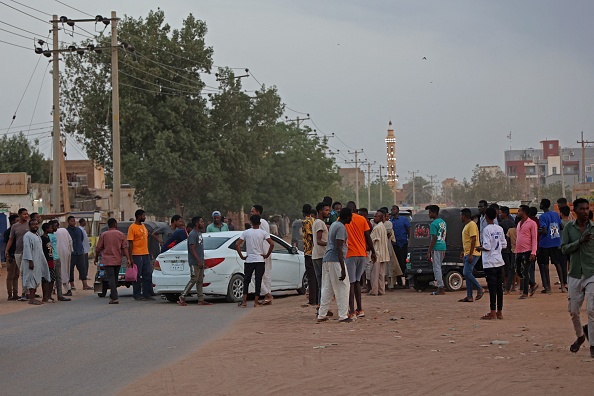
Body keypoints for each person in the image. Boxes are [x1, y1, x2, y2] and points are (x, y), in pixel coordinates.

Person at [562, 198, 594, 357]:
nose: (585, 212)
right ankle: (581, 336)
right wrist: (579, 242)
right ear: (574, 210)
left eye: (587, 209)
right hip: (574, 273)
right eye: (582, 209)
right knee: (574, 311)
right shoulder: (568, 228)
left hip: (591, 273)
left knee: (591, 309)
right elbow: (564, 249)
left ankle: (593, 345)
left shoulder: (593, 229)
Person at [317, 207, 353, 323]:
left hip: (327, 259)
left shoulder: (334, 224)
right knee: (343, 286)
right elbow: (338, 247)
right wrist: (343, 268)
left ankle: (321, 314)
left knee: (328, 288)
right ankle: (343, 315)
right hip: (335, 260)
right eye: (351, 217)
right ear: (347, 217)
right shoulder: (341, 228)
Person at [344, 201, 376, 318]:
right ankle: (360, 309)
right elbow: (368, 237)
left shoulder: (341, 220)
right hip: (362, 254)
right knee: (357, 281)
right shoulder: (362, 220)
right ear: (355, 208)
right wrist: (373, 252)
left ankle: (351, 311)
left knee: (351, 283)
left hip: (349, 255)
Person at [235, 214, 274, 308]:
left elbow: (237, 244)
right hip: (260, 260)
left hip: (249, 260)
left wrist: (241, 256)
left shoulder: (246, 233)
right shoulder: (263, 233)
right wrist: (267, 255)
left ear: (251, 223)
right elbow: (272, 244)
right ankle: (256, 302)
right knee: (258, 280)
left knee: (246, 280)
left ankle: (244, 301)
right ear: (260, 223)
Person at [476, 207, 507, 319]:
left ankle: (492, 312)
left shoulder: (486, 230)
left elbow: (487, 246)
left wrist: (480, 248)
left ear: (486, 217)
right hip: (499, 261)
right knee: (499, 288)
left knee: (492, 288)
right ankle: (500, 311)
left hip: (490, 262)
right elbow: (504, 245)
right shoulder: (499, 228)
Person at [178, 216, 213, 306]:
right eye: (201, 221)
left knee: (200, 280)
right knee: (194, 279)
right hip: (194, 262)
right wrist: (198, 260)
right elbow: (192, 248)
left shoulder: (199, 233)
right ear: (197, 223)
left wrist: (202, 260)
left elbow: (199, 248)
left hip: (200, 261)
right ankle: (182, 296)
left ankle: (200, 299)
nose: (203, 223)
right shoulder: (193, 234)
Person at [95, 218, 131, 304]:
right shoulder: (120, 234)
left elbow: (98, 248)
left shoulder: (104, 235)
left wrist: (96, 257)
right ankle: (114, 295)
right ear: (115, 224)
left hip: (107, 260)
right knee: (114, 278)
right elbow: (124, 247)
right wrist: (128, 258)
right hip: (117, 260)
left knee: (111, 278)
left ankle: (114, 297)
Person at [537, 198, 565, 293]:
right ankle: (563, 286)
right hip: (555, 242)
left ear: (543, 205)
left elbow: (544, 231)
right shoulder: (555, 214)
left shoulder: (542, 217)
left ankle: (548, 288)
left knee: (545, 265)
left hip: (545, 243)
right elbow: (561, 226)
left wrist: (537, 231)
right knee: (557, 264)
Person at [22, 219, 50, 305]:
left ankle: (44, 298)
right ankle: (32, 298)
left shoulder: (37, 235)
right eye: (33, 224)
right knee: (31, 279)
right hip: (31, 261)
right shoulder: (27, 236)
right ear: (29, 226)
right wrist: (30, 261)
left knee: (41, 276)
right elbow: (27, 249)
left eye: (36, 224)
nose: (35, 226)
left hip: (39, 260)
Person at [5, 208, 30, 300]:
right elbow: (11, 239)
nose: (26, 216)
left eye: (27, 214)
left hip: (29, 253)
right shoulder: (15, 227)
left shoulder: (30, 225)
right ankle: (24, 292)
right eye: (24, 214)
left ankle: (26, 292)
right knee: (22, 273)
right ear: (19, 215)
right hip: (18, 253)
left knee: (27, 272)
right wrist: (6, 250)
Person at [128, 209, 154, 301]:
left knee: (147, 274)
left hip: (145, 254)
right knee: (137, 276)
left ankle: (147, 294)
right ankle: (137, 294)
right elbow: (130, 243)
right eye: (143, 216)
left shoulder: (143, 226)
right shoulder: (132, 227)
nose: (144, 217)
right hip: (137, 255)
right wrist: (130, 258)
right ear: (138, 216)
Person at [459, 208, 484, 303]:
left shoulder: (472, 225)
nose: (460, 217)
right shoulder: (467, 226)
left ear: (464, 216)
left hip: (473, 253)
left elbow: (473, 239)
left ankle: (479, 288)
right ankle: (469, 296)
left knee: (466, 272)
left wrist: (470, 254)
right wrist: (463, 251)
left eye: (461, 216)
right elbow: (467, 241)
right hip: (467, 252)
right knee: (468, 274)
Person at [516, 205, 539, 299]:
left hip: (528, 250)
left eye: (519, 211)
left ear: (524, 212)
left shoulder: (532, 223)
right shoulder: (518, 223)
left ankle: (525, 292)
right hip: (519, 250)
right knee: (518, 270)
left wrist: (533, 252)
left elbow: (534, 238)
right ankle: (532, 284)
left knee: (525, 271)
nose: (518, 213)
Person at [251, 205, 273, 304]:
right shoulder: (264, 222)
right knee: (265, 275)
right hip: (264, 251)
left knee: (258, 275)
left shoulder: (261, 222)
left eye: (253, 211)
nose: (251, 213)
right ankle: (267, 295)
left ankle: (267, 294)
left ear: (258, 212)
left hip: (263, 252)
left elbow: (262, 236)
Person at [48, 220, 70, 301]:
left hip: (57, 257)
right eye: (55, 226)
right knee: (51, 278)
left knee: (59, 277)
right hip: (51, 259)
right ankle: (48, 295)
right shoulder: (47, 236)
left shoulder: (55, 234)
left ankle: (60, 295)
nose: (57, 228)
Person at [313, 202, 330, 307]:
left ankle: (321, 306)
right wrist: (330, 244)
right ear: (320, 211)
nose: (328, 212)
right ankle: (322, 307)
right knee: (324, 283)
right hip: (321, 255)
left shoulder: (318, 222)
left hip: (317, 255)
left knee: (321, 283)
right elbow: (319, 241)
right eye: (326, 210)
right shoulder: (319, 223)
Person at [67, 216, 91, 291]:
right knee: (70, 269)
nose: (73, 222)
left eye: (74, 221)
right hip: (71, 253)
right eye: (71, 221)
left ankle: (85, 285)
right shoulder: (66, 231)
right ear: (68, 222)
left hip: (80, 252)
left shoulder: (78, 230)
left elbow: (81, 239)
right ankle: (72, 285)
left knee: (82, 268)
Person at [427, 205, 447, 296]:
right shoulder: (443, 222)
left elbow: (434, 238)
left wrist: (429, 251)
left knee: (436, 268)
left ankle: (440, 287)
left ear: (435, 213)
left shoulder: (434, 224)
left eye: (430, 212)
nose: (429, 214)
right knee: (439, 267)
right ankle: (440, 286)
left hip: (436, 247)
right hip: (443, 246)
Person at [370, 210, 389, 296]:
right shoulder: (383, 227)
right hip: (383, 254)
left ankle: (374, 290)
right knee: (381, 274)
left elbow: (371, 240)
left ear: (380, 218)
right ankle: (381, 290)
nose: (374, 218)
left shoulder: (377, 228)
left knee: (375, 274)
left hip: (377, 253)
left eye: (376, 216)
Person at [390, 205, 410, 287]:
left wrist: (410, 240)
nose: (392, 211)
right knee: (396, 264)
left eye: (394, 209)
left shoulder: (404, 220)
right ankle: (399, 282)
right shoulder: (390, 221)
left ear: (398, 210)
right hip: (395, 245)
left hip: (403, 244)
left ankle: (407, 282)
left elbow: (409, 230)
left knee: (404, 263)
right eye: (392, 209)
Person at [301, 204, 317, 306]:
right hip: (316, 252)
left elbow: (310, 235)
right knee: (316, 276)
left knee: (311, 277)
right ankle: (316, 298)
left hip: (309, 252)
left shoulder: (305, 222)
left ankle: (312, 300)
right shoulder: (315, 221)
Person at [499, 207, 516, 294]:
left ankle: (506, 284)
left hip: (505, 249)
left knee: (505, 268)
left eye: (501, 213)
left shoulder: (501, 225)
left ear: (505, 214)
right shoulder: (512, 223)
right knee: (512, 267)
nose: (499, 214)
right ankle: (513, 285)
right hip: (512, 248)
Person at [54, 220, 73, 297]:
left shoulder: (53, 233)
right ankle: (56, 288)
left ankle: (67, 289)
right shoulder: (64, 230)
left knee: (59, 271)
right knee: (65, 270)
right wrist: (70, 250)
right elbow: (70, 241)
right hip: (66, 253)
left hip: (57, 254)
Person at [4, 214, 18, 300]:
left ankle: (15, 293)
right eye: (17, 221)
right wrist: (7, 255)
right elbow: (6, 244)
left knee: (16, 275)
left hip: (17, 255)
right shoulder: (7, 232)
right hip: (11, 256)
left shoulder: (17, 231)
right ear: (12, 221)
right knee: (10, 276)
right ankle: (10, 294)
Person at [40, 223, 56, 303]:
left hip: (50, 259)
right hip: (46, 260)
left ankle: (49, 295)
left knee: (52, 278)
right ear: (46, 229)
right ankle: (45, 297)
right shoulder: (42, 238)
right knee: (46, 279)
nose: (52, 229)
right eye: (50, 228)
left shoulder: (48, 237)